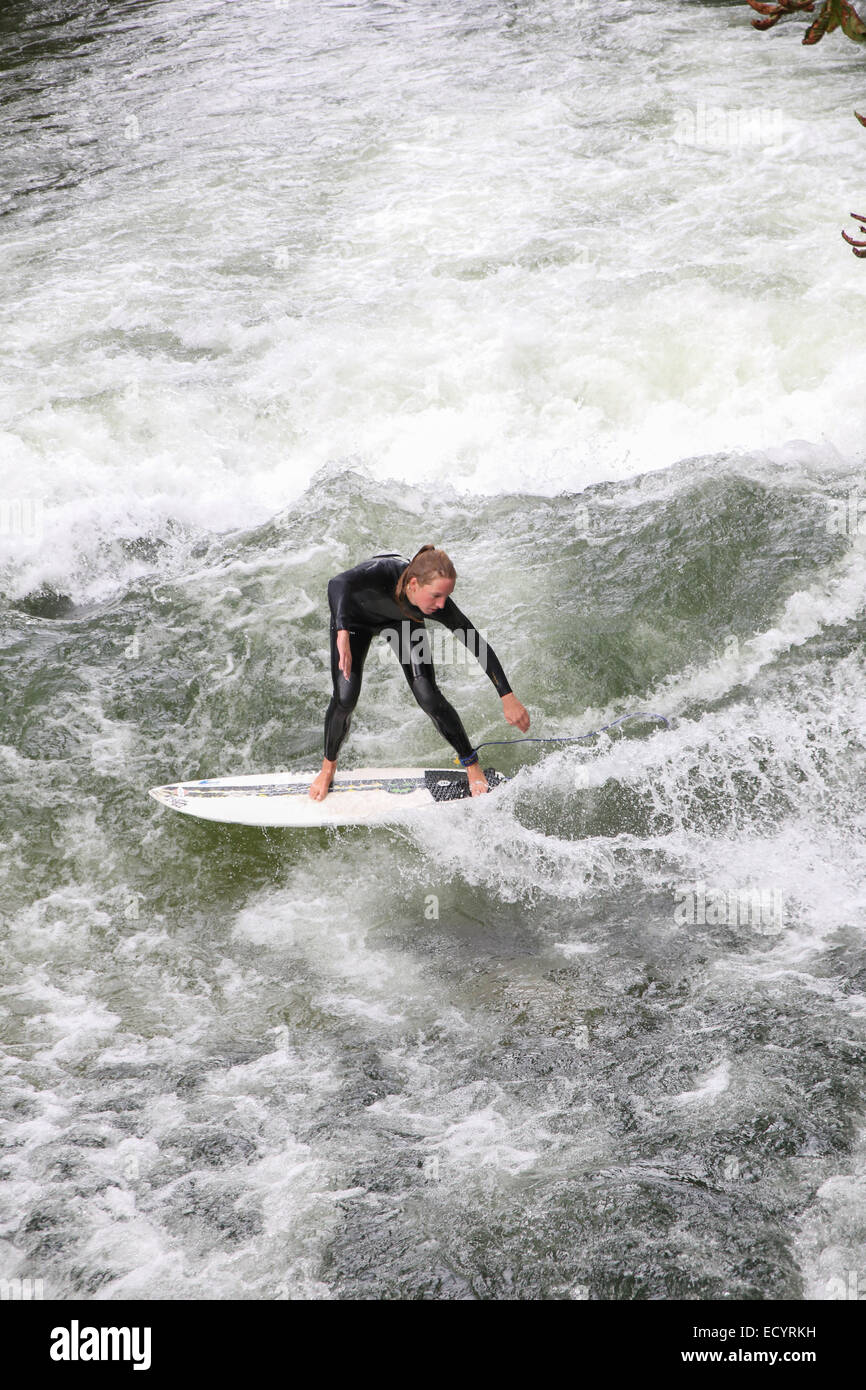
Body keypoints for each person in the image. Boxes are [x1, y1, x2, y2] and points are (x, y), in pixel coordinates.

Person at [309, 546, 529, 800]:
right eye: (436, 596)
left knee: (428, 694)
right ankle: (328, 767)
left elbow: (476, 643)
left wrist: (507, 696)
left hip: (402, 620)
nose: (442, 604)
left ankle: (471, 764)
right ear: (413, 584)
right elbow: (337, 584)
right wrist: (342, 630)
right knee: (345, 697)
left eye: (446, 596)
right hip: (354, 619)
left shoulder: (439, 606)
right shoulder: (383, 572)